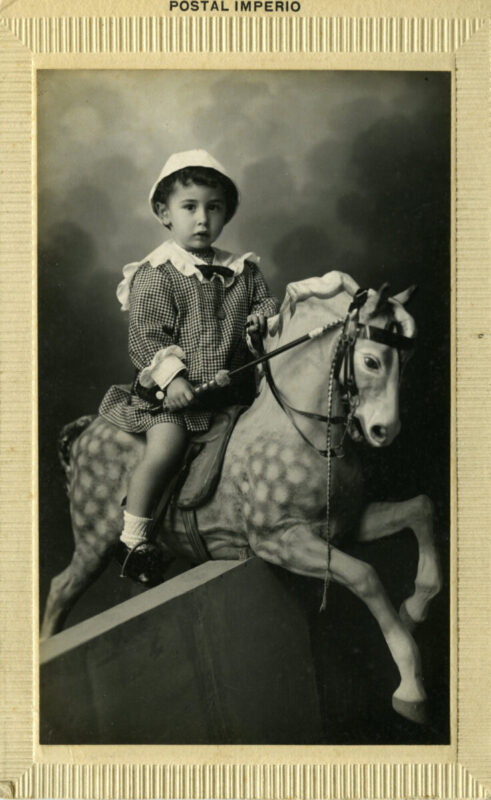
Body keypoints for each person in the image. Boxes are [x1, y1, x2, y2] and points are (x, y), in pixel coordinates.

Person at [99, 149, 279, 580]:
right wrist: (173, 378)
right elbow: (147, 337)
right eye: (189, 207)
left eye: (214, 208)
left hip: (232, 393)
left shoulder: (242, 271)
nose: (202, 220)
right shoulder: (157, 273)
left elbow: (266, 303)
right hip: (173, 399)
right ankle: (133, 541)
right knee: (166, 447)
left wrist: (261, 318)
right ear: (165, 213)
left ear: (226, 214)